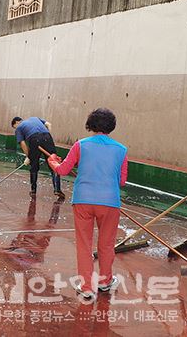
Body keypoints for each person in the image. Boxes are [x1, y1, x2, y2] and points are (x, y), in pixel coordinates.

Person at [46, 108, 128, 300]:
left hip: (83, 200)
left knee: (84, 244)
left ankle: (86, 287)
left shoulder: (81, 145)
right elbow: (122, 181)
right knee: (106, 245)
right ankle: (105, 282)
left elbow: (63, 170)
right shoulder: (122, 150)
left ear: (91, 124)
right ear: (111, 126)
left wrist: (52, 161)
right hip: (110, 202)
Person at [12, 116, 65, 199]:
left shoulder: (19, 128)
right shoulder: (34, 118)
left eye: (14, 127)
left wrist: (28, 157)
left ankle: (33, 190)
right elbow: (48, 124)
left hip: (34, 139)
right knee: (54, 164)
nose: (15, 129)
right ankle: (57, 189)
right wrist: (47, 136)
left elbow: (22, 143)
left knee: (34, 166)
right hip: (47, 136)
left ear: (16, 122)